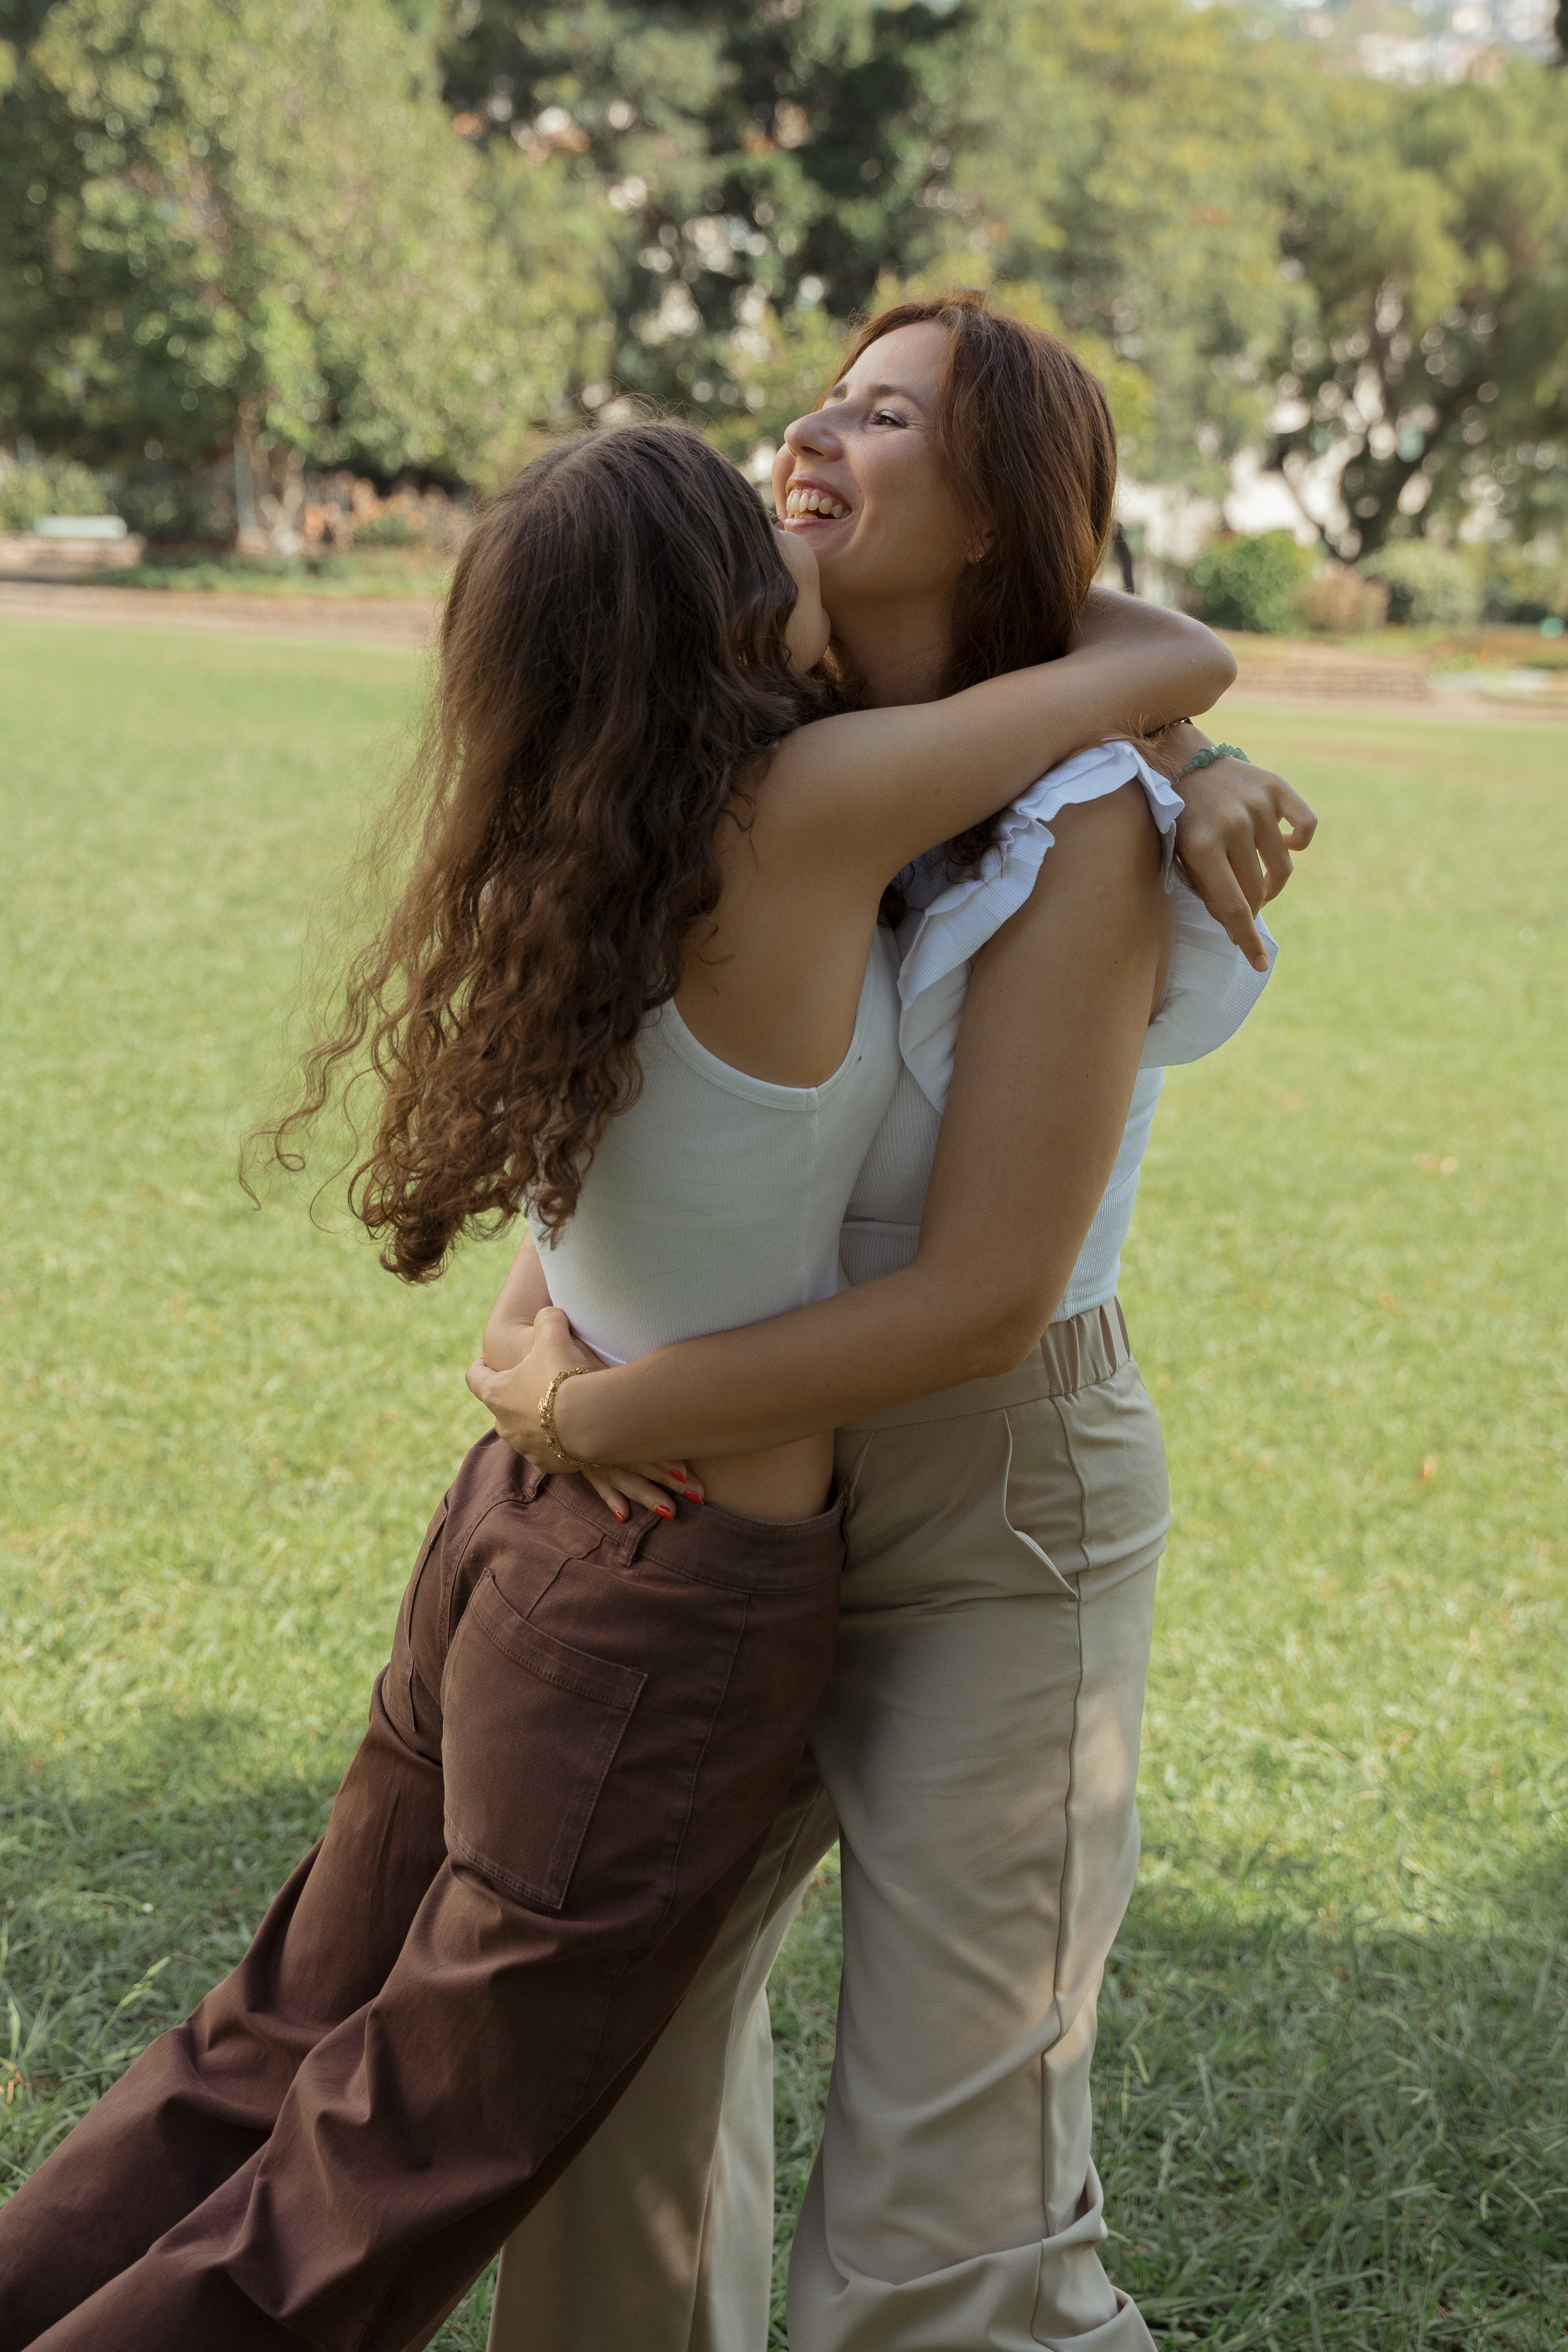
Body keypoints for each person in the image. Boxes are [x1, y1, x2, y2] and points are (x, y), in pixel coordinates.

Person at [0, 407, 1238, 2352]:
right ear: (738, 608)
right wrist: (1166, 718)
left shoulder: (588, 818)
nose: (814, 461)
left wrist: (1178, 765)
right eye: (777, 508)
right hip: (674, 1584)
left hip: (513, 1530)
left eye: (884, 422)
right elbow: (1173, 658)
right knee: (397, 2149)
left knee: (274, 2042)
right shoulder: (814, 804)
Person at [472, 296, 1316, 2352]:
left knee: (955, 2218)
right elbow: (643, 1122)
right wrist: (539, 1326)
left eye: (888, 413)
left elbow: (981, 1296)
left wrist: (599, 1412)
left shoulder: (1085, 818)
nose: (810, 433)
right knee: (604, 2111)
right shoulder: (714, 744)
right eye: (815, 400)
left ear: (1006, 517)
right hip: (710, 1485)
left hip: (986, 1492)